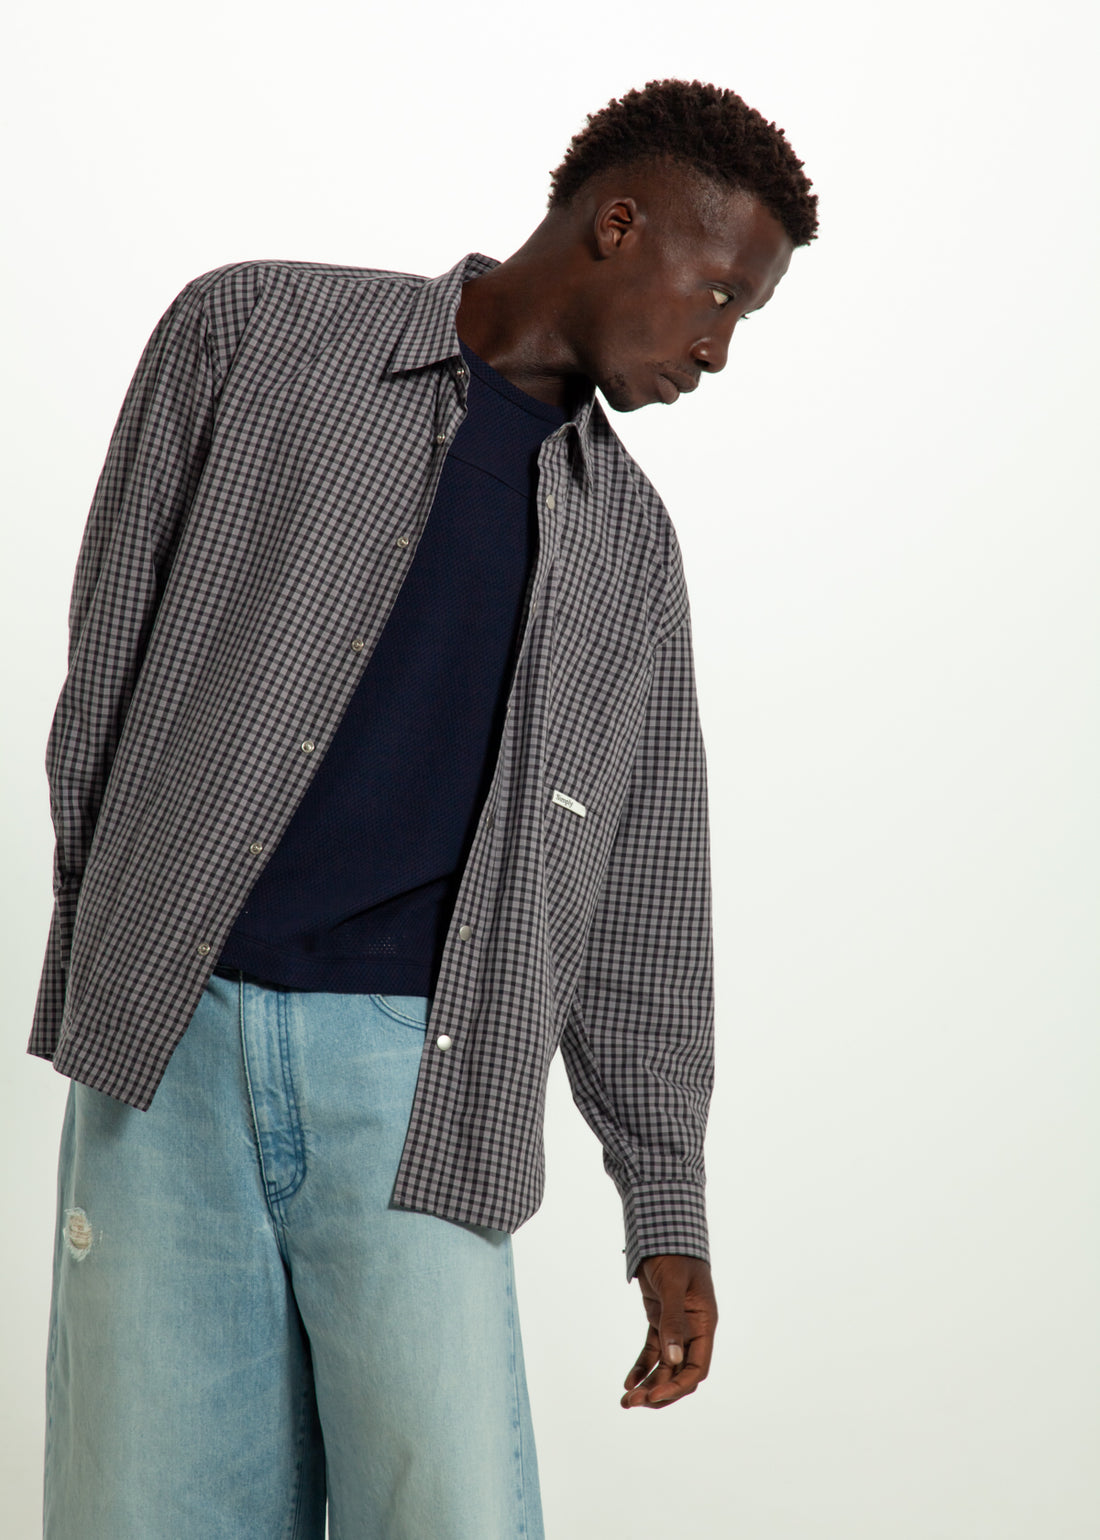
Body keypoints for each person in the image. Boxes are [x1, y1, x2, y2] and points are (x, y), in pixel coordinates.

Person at [32, 77, 817, 1539]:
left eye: (743, 320)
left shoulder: (631, 552)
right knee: (144, 1510)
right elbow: (108, 669)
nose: (718, 349)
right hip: (167, 1053)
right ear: (618, 224)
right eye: (719, 296)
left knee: (447, 1510)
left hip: (419, 1087)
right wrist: (112, 959)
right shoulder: (253, 334)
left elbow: (647, 894)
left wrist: (666, 1205)